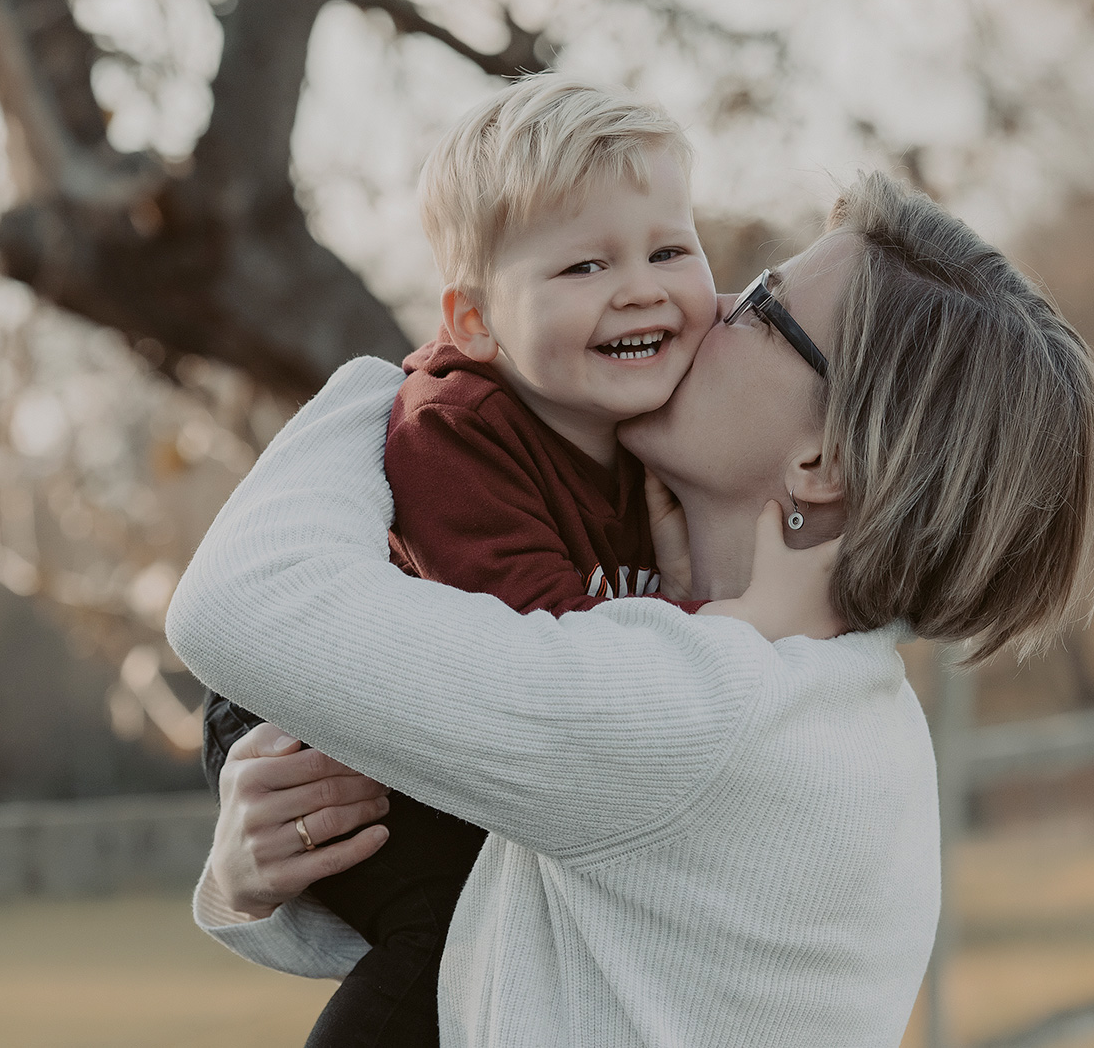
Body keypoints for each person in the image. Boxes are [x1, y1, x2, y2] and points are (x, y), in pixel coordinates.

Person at [168, 171, 1094, 1047]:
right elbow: (507, 944)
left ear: (822, 464)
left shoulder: (702, 718)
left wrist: (404, 381)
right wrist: (249, 879)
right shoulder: (835, 710)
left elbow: (239, 600)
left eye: (764, 308)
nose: (704, 305)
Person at [199, 76, 812, 1048]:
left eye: (668, 249)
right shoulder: (459, 429)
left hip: (461, 719)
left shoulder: (645, 407)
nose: (641, 286)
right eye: (582, 266)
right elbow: (550, 666)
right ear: (475, 322)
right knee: (450, 926)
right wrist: (727, 626)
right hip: (319, 720)